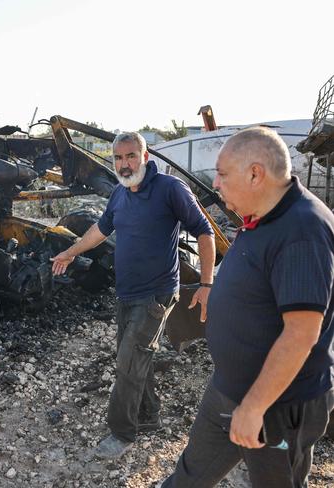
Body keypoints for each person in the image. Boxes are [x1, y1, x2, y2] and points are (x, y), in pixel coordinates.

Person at [161, 127, 334, 487]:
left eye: (223, 175)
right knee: (189, 476)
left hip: (278, 406)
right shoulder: (262, 214)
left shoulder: (303, 231)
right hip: (229, 387)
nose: (217, 185)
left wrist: (254, 407)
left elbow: (302, 334)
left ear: (256, 173)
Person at [51, 132, 216, 459]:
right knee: (138, 357)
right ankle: (149, 416)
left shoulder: (170, 189)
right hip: (126, 293)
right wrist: (70, 251)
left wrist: (208, 284)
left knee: (128, 361)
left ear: (145, 157)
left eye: (130, 156)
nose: (124, 165)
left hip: (156, 294)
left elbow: (204, 232)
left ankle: (122, 433)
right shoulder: (119, 194)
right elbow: (100, 230)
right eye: (118, 158)